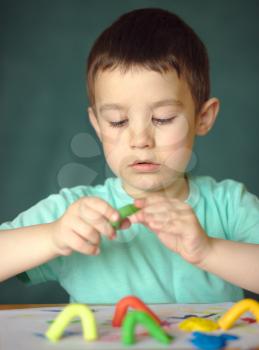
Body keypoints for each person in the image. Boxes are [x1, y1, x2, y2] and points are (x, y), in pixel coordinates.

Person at [1, 8, 259, 304]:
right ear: (97, 124)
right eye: (118, 122)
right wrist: (53, 236)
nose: (140, 140)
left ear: (203, 117)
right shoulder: (76, 213)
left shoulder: (229, 206)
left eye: (162, 118)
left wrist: (209, 250)